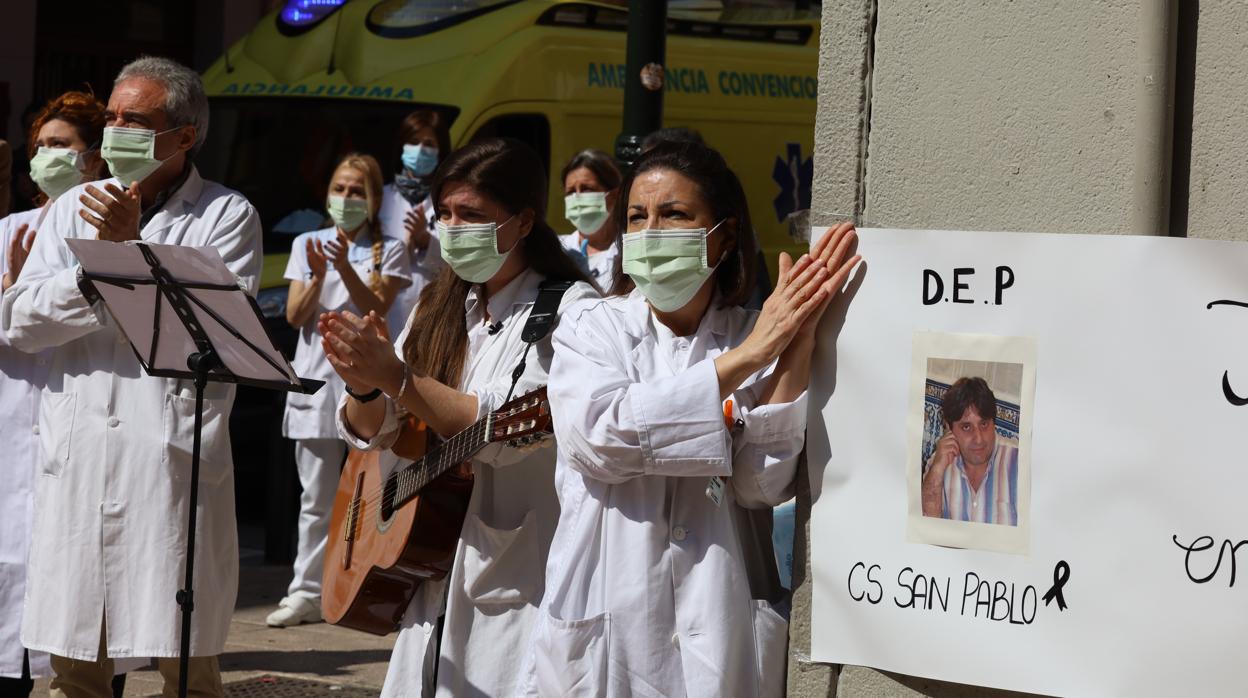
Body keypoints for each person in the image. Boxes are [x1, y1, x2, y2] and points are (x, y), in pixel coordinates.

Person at [527, 140, 860, 696]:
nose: (651, 231)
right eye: (637, 216)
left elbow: (759, 485)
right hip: (607, 629)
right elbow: (602, 439)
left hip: (721, 621)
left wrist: (798, 343)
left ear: (723, 237)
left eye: (675, 214)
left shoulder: (758, 327)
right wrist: (751, 357)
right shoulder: (591, 326)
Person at [1, 56, 262, 696]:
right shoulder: (67, 212)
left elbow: (212, 332)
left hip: (170, 466)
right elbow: (19, 321)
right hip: (81, 457)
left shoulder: (227, 216)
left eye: (134, 120)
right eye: (113, 117)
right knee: (75, 671)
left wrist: (128, 250)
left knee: (186, 666)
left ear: (183, 136)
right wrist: (102, 272)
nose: (115, 130)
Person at [320, 137, 596, 697]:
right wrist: (364, 386)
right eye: (445, 213)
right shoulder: (435, 305)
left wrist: (395, 377)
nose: (452, 227)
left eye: (471, 214)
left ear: (523, 222)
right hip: (432, 574)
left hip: (519, 572)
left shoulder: (570, 310)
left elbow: (500, 429)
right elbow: (379, 434)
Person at [267, 153, 411, 627]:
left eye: (356, 191)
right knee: (316, 496)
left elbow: (379, 304)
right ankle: (306, 591)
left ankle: (361, 585)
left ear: (372, 199)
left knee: (369, 492)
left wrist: (343, 268)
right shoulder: (309, 242)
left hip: (366, 391)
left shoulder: (389, 247)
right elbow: (294, 316)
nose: (346, 199)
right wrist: (322, 272)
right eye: (340, 189)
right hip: (314, 384)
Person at [0, 89, 108, 698]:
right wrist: (12, 299)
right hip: (14, 420)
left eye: (61, 146)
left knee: (73, 587)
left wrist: (31, 304)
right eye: (40, 146)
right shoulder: (9, 230)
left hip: (79, 422)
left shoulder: (111, 231)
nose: (47, 157)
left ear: (94, 158)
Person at [380, 109, 451, 333]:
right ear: (402, 146)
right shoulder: (379, 199)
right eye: (413, 141)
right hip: (385, 311)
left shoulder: (449, 201)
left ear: (441, 151)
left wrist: (425, 241)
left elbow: (460, 262)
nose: (420, 149)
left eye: (429, 144)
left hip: (433, 310)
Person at [921, 377, 1019, 525]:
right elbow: (927, 525)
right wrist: (937, 469)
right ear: (949, 428)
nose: (978, 439)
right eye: (966, 427)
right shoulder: (939, 463)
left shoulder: (1019, 463)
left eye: (984, 424)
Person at [559, 149, 621, 289]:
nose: (577, 198)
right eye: (571, 192)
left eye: (587, 189)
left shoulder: (629, 251)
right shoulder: (557, 249)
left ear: (614, 195)